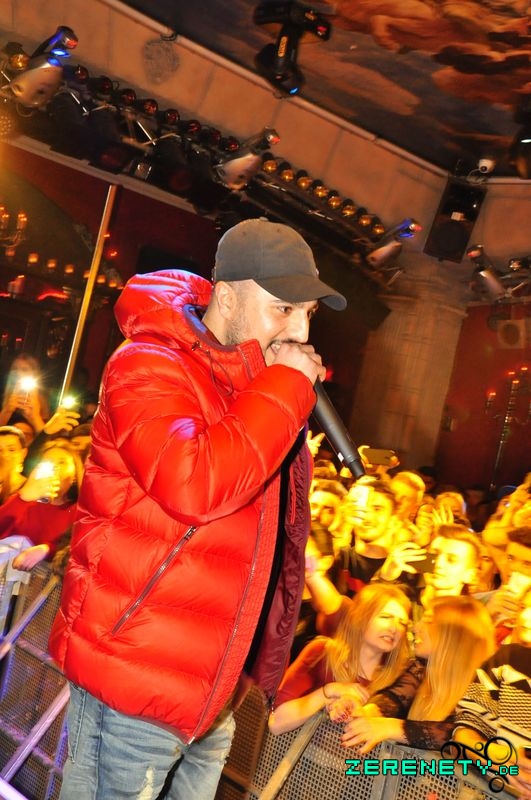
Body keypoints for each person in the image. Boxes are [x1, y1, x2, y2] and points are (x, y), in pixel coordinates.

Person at [48, 218, 347, 800]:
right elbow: (194, 487)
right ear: (228, 298)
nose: (300, 331)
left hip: (212, 691)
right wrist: (285, 386)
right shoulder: (149, 363)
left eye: (309, 313)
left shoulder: (255, 389)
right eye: (284, 309)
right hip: (135, 678)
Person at [339, 595, 495, 751]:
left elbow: (459, 737)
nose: (415, 628)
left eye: (427, 620)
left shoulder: (481, 690)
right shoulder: (420, 669)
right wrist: (363, 711)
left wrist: (391, 727)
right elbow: (394, 698)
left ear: (452, 635)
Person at [269, 584, 411, 735]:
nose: (394, 628)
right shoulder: (322, 653)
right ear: (360, 617)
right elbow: (275, 723)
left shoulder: (399, 681)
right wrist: (329, 691)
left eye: (402, 623)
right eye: (385, 617)